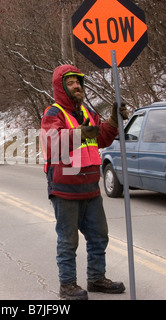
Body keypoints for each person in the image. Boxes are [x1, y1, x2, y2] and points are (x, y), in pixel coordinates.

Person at [40, 64, 129, 300]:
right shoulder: (53, 113)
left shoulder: (88, 113)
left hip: (90, 186)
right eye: (70, 82)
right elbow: (52, 143)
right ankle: (67, 285)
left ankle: (96, 278)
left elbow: (101, 138)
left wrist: (112, 121)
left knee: (99, 236)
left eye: (78, 81)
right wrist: (80, 133)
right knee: (68, 240)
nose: (76, 85)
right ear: (61, 87)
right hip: (65, 188)